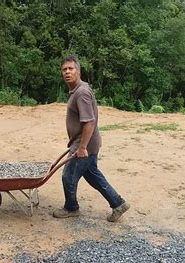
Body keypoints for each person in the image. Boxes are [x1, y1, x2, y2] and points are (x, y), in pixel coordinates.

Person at [53, 55, 130, 222]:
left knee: (68, 176)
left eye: (71, 69)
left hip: (84, 144)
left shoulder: (81, 93)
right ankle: (118, 204)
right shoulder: (78, 90)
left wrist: (82, 148)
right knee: (92, 175)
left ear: (78, 71)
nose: (67, 72)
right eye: (64, 69)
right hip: (86, 143)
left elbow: (89, 122)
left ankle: (71, 208)